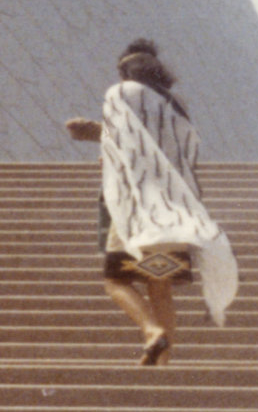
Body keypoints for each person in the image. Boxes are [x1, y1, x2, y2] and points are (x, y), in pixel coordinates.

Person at [65, 39, 238, 365]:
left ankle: (151, 332)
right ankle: (163, 363)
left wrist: (92, 133)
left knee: (116, 281)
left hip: (135, 212)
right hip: (174, 213)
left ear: (123, 71)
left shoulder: (121, 94)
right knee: (160, 288)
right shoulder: (178, 105)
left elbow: (123, 145)